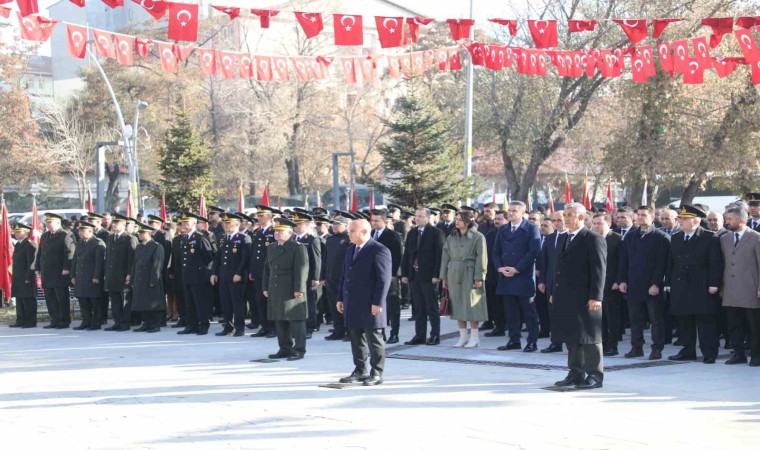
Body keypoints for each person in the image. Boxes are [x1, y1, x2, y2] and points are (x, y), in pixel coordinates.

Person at [550, 203, 606, 389]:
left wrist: (596, 297)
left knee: (589, 337)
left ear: (581, 217)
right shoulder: (564, 237)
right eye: (565, 214)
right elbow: (558, 269)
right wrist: (554, 292)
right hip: (566, 296)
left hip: (585, 297)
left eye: (569, 215)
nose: (565, 218)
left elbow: (599, 271)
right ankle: (575, 373)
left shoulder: (592, 238)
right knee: (572, 336)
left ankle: (595, 375)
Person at [664, 205, 723, 364]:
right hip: (681, 285)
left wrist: (714, 284)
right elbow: (671, 263)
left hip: (701, 285)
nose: (680, 221)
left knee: (705, 322)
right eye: (680, 219)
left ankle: (709, 352)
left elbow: (715, 263)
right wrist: (668, 282)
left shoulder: (710, 237)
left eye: (684, 219)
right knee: (684, 320)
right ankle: (687, 350)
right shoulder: (676, 237)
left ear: (695, 221)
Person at [337, 219, 392, 386]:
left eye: (352, 230)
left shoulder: (379, 250)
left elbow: (384, 279)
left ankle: (377, 372)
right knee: (356, 337)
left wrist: (378, 302)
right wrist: (340, 297)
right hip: (352, 301)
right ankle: (360, 370)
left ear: (364, 232)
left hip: (370, 303)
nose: (349, 233)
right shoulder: (350, 249)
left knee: (374, 338)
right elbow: (345, 275)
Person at [619, 205, 671, 360]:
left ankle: (656, 348)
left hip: (652, 286)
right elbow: (624, 260)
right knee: (635, 319)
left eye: (643, 215)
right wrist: (622, 280)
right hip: (633, 284)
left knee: (656, 319)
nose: (640, 217)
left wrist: (656, 283)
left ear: (652, 216)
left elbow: (663, 264)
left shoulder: (661, 237)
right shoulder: (631, 236)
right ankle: (637, 347)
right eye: (638, 215)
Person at [493, 201, 541, 352]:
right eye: (509, 211)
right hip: (506, 275)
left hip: (523, 276)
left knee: (528, 311)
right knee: (510, 311)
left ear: (522, 212)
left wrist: (517, 268)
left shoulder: (531, 228)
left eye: (514, 211)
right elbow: (496, 252)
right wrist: (500, 267)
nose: (511, 213)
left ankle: (532, 341)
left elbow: (533, 252)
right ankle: (514, 340)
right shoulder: (503, 229)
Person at [262, 217, 309, 361]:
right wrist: (265, 286)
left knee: (296, 320)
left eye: (281, 231)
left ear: (290, 233)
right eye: (276, 231)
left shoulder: (297, 247)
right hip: (276, 287)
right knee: (280, 319)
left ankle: (299, 349)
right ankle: (284, 348)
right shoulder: (272, 247)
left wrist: (299, 288)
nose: (277, 234)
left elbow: (302, 269)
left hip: (291, 287)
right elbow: (266, 269)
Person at [440, 211, 488, 348]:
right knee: (456, 304)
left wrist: (479, 276)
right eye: (456, 219)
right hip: (454, 272)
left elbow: (482, 257)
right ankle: (463, 336)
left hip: (470, 271)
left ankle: (474, 337)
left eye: (460, 219)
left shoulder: (478, 237)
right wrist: (443, 276)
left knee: (473, 305)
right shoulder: (452, 237)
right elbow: (445, 256)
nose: (457, 221)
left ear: (467, 221)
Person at [720, 207, 760, 366]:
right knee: (734, 324)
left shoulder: (756, 238)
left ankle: (756, 355)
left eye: (730, 219)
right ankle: (738, 354)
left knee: (754, 325)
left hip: (750, 289)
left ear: (741, 220)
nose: (726, 222)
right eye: (726, 219)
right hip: (731, 290)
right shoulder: (724, 239)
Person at [401, 208, 445, 346]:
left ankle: (435, 335)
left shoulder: (436, 233)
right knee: (418, 307)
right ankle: (419, 335)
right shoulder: (413, 233)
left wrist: (437, 275)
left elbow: (440, 255)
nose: (417, 218)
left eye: (420, 216)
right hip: (414, 275)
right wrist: (405, 274)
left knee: (431, 307)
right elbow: (407, 254)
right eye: (416, 216)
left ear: (427, 217)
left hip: (429, 275)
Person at [211, 213, 251, 336]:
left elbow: (245, 258)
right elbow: (218, 257)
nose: (225, 225)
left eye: (228, 223)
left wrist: (239, 273)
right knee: (225, 302)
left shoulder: (243, 238)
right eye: (224, 223)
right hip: (224, 275)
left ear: (237, 224)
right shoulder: (222, 238)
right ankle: (228, 327)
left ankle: (239, 328)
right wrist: (214, 273)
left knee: (237, 303)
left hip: (236, 276)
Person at [35, 213, 76, 329]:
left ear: (58, 223)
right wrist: (38, 268)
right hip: (47, 273)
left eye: (50, 222)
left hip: (59, 273)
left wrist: (67, 268)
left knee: (61, 298)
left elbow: (70, 252)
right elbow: (41, 253)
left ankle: (64, 320)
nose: (48, 225)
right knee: (50, 298)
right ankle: (55, 319)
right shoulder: (45, 236)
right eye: (47, 222)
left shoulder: (66, 235)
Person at [176, 212, 215, 335]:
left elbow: (209, 256)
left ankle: (203, 325)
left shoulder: (200, 237)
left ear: (193, 223)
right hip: (187, 275)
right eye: (182, 222)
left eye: (187, 222)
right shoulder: (184, 238)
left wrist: (202, 270)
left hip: (199, 276)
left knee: (200, 302)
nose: (183, 224)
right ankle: (191, 325)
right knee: (189, 303)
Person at [591, 213, 624, 356]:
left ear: (609, 224)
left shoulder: (617, 239)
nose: (596, 226)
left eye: (600, 223)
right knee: (598, 316)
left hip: (611, 284)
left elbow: (622, 262)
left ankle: (613, 344)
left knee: (611, 315)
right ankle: (601, 342)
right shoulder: (591, 239)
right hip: (595, 284)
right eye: (595, 223)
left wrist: (618, 280)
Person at [369, 209, 403, 344]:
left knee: (392, 305)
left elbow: (397, 256)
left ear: (384, 221)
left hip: (389, 276)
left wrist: (393, 274)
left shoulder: (392, 235)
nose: (374, 223)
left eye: (377, 220)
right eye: (372, 220)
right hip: (373, 276)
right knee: (377, 304)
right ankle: (380, 332)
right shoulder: (370, 234)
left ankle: (394, 333)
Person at [104, 214, 137, 331]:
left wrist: (129, 274)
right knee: (114, 300)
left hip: (123, 275)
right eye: (113, 223)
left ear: (123, 225)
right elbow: (108, 257)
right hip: (112, 274)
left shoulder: (129, 238)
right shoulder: (110, 238)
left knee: (124, 300)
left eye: (116, 223)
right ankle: (117, 321)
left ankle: (125, 323)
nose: (113, 225)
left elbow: (132, 258)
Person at [538, 211, 566, 353]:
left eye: (559, 220)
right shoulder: (550, 238)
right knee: (553, 314)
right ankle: (556, 343)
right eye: (554, 221)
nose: (557, 223)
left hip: (567, 283)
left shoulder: (571, 237)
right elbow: (545, 261)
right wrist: (542, 280)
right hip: (550, 282)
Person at [71, 221, 107, 330]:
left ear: (90, 231)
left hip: (92, 278)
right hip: (81, 278)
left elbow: (99, 262)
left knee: (94, 301)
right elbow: (75, 260)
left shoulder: (98, 243)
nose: (79, 233)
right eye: (79, 230)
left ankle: (96, 322)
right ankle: (86, 321)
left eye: (82, 230)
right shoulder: (80, 243)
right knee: (83, 301)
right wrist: (73, 275)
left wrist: (96, 276)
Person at [323, 212, 353, 341]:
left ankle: (350, 331)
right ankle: (338, 330)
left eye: (338, 224)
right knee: (334, 305)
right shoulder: (330, 240)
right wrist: (323, 277)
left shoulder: (349, 239)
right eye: (333, 224)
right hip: (331, 278)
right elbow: (325, 260)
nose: (334, 226)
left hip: (344, 278)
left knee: (347, 306)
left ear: (346, 225)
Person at [130, 222, 165, 333]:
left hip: (150, 279)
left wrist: (153, 280)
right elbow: (135, 264)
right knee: (142, 302)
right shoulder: (139, 247)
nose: (140, 235)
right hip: (140, 279)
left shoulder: (156, 246)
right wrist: (132, 278)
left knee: (153, 302)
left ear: (149, 233)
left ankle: (155, 324)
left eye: (142, 232)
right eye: (139, 232)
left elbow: (157, 264)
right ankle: (146, 323)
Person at [292, 212, 322, 339]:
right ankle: (298, 327)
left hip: (308, 276)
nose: (296, 226)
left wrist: (316, 277)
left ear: (306, 225)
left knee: (309, 302)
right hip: (295, 276)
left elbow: (316, 259)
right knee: (296, 303)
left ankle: (310, 327)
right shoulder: (293, 239)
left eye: (299, 224)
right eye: (295, 224)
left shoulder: (312, 239)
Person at [248, 205, 277, 337]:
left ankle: (273, 328)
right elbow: (254, 253)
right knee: (259, 300)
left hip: (271, 272)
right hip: (259, 272)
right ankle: (264, 326)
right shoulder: (257, 232)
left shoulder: (274, 231)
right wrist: (252, 270)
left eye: (261, 215)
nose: (258, 218)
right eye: (258, 216)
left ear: (269, 216)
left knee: (271, 301)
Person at [484, 210, 507, 337]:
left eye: (500, 219)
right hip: (492, 274)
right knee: (495, 301)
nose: (497, 221)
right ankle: (499, 326)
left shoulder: (510, 234)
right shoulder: (490, 234)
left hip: (508, 273)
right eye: (496, 219)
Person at [10, 223, 38, 328]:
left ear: (26, 232)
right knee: (20, 299)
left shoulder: (30, 244)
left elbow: (32, 263)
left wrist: (28, 277)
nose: (16, 234)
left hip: (26, 277)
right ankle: (20, 320)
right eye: (15, 232)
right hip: (18, 276)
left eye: (18, 232)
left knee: (28, 299)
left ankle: (30, 321)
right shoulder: (18, 244)